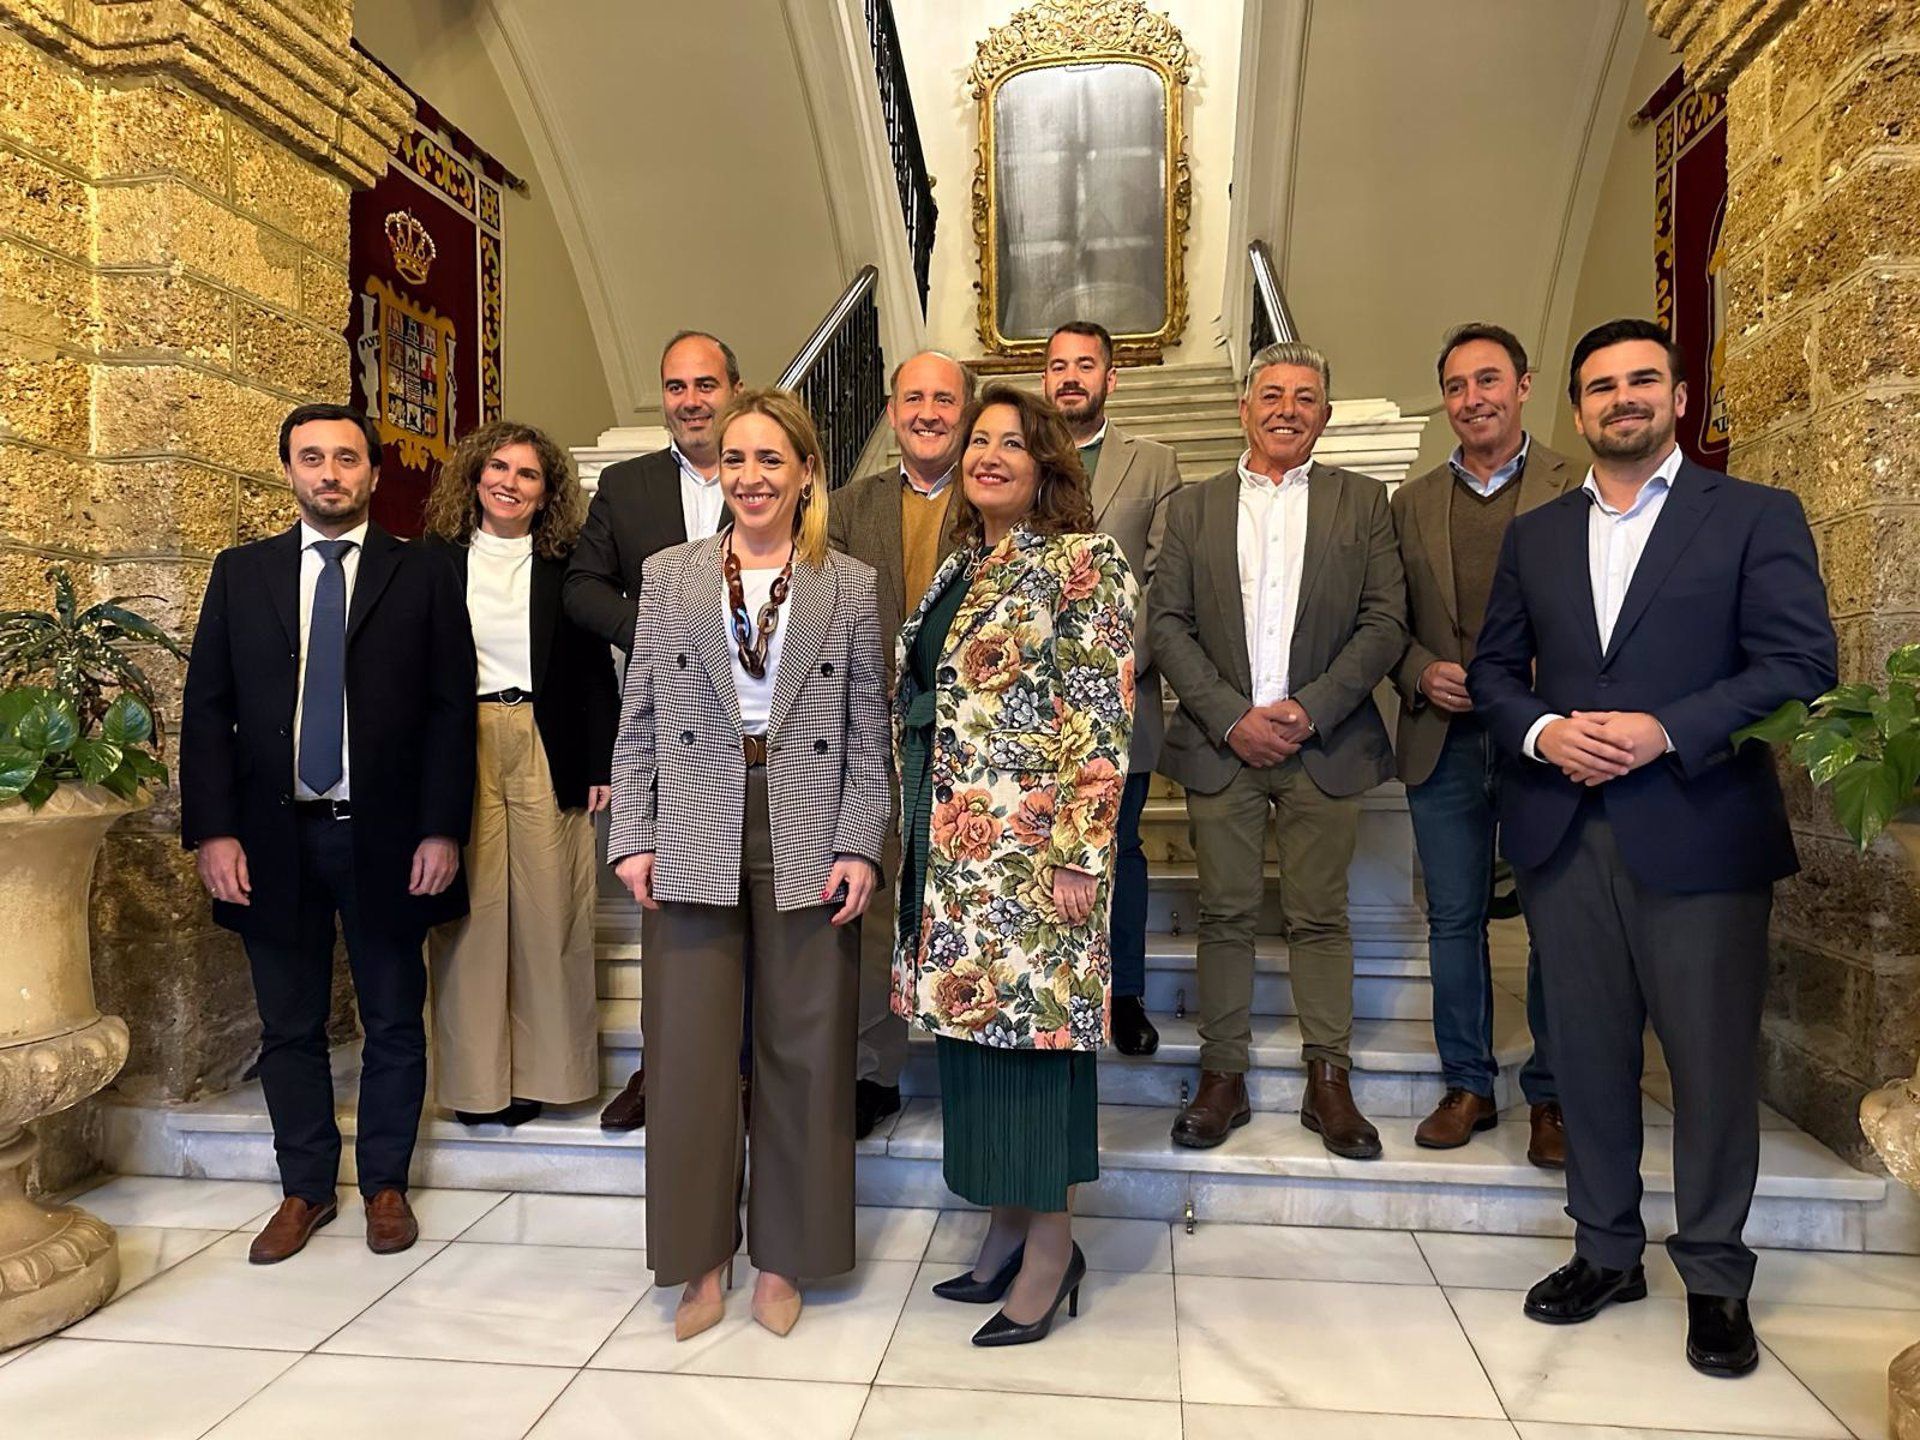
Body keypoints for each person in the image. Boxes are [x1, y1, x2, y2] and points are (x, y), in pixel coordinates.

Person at [1468, 319, 1837, 1378]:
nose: (1620, 399)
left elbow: (1800, 662)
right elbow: (1494, 673)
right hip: (1565, 830)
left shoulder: (1756, 517)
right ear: (1575, 409)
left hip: (1700, 826)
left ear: (1678, 397)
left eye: (1642, 381)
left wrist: (1666, 728)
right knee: (1584, 1059)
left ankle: (1716, 1278)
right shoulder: (1536, 535)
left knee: (1713, 1068)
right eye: (1599, 387)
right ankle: (1606, 1250)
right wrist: (1544, 731)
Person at [608, 388, 890, 1341]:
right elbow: (637, 714)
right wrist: (631, 835)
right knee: (685, 1052)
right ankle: (697, 1261)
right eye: (736, 460)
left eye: (772, 460)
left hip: (806, 818)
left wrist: (861, 842)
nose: (753, 478)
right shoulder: (669, 575)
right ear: (716, 470)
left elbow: (868, 732)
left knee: (805, 1051)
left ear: (806, 471)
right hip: (692, 817)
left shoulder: (846, 583)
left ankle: (787, 1257)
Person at [181, 403, 475, 1263]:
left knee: (392, 1018)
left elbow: (451, 715)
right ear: (288, 471)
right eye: (312, 458)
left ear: (374, 476)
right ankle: (305, 1190)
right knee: (289, 1025)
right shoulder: (241, 574)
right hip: (271, 839)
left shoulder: (420, 574)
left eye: (347, 459)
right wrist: (213, 833)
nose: (330, 474)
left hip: (385, 835)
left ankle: (386, 1185)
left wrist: (441, 830)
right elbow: (208, 712)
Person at [895, 385, 1137, 1347]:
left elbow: (1101, 710)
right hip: (957, 853)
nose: (988, 454)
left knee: (1034, 1055)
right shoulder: (962, 565)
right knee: (976, 1046)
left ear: (1048, 462)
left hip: (1035, 860)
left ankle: (1052, 1252)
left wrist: (1082, 851)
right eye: (977, 439)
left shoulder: (1083, 561)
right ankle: (1003, 1225)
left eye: (1011, 441)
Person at [1148, 342, 1407, 1158]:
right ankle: (1222, 1074)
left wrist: (1310, 708)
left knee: (1318, 916)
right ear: (1244, 408)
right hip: (1222, 748)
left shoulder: (1364, 505)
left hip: (1323, 745)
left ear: (1325, 415)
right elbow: (1167, 624)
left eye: (1305, 396)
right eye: (1271, 393)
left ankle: (1328, 1079)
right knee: (1223, 914)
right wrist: (1232, 717)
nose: (1287, 407)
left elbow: (1384, 622)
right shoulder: (1191, 508)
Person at [1390, 324, 1578, 1164]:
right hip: (1446, 741)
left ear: (1525, 385)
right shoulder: (1410, 502)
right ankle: (1467, 1082)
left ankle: (1554, 1095)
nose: (1474, 399)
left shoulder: (1576, 485)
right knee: (1455, 919)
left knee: (1553, 921)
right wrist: (1419, 668)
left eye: (1488, 380)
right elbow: (1384, 621)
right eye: (1458, 386)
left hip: (1546, 737)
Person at [565, 329, 744, 1132]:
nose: (692, 400)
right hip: (669, 728)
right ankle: (659, 1068)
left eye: (706, 384)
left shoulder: (773, 471)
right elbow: (581, 587)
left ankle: (748, 1072)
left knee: (763, 910)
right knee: (669, 917)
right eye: (677, 386)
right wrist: (660, 629)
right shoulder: (627, 487)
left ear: (733, 390)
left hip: (764, 725)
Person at [419, 421, 618, 1127]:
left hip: (546, 737)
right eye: (498, 467)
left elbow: (596, 667)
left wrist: (602, 758)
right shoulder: (432, 562)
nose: (509, 482)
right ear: (474, 478)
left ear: (547, 492)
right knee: (468, 918)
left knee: (551, 910)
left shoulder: (566, 565)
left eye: (528, 474)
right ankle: (475, 1084)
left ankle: (546, 1076)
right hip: (456, 741)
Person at [827, 349, 971, 1139]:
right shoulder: (849, 507)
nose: (927, 412)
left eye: (944, 399)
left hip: (969, 745)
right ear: (890, 411)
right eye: (912, 398)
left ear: (966, 411)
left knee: (960, 906)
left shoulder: (992, 499)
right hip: (870, 737)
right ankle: (871, 1071)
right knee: (874, 907)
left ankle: (968, 1064)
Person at [1041, 320, 1184, 1058]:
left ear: (1111, 378)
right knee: (1042, 849)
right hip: (1032, 707)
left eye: (1085, 365)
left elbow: (1165, 581)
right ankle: (1058, 987)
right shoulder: (1020, 456)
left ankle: (1123, 993)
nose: (1071, 377)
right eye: (1058, 365)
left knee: (1119, 845)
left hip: (1125, 698)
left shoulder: (1153, 463)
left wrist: (1118, 668)